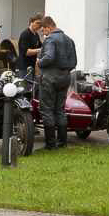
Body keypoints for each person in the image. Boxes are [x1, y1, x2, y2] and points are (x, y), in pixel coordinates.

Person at [37, 16, 77, 150]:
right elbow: (74, 62)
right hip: (65, 77)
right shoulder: (69, 40)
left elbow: (49, 57)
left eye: (43, 31)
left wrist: (39, 62)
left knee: (47, 109)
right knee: (60, 109)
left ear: (48, 27)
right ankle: (62, 142)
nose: (44, 34)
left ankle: (50, 144)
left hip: (50, 77)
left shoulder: (50, 40)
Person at [17, 14, 43, 78]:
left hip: (32, 67)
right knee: (25, 84)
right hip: (24, 67)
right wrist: (40, 50)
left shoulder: (36, 35)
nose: (39, 26)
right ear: (31, 22)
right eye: (37, 23)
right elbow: (26, 52)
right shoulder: (25, 34)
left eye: (40, 24)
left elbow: (41, 46)